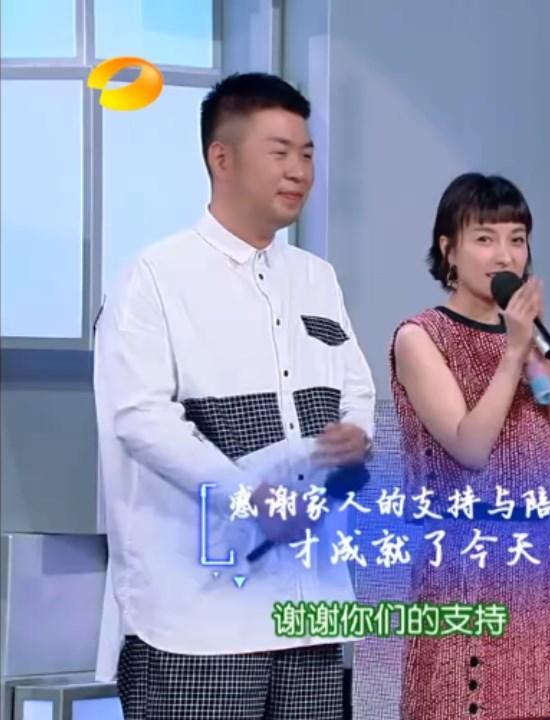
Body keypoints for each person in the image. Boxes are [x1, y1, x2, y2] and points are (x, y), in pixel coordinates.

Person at [93, 72, 376, 719]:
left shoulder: (316, 277)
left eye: (307, 153)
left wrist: (356, 434)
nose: (299, 171)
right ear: (221, 158)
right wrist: (253, 499)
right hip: (199, 619)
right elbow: (141, 419)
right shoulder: (155, 277)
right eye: (280, 152)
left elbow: (355, 387)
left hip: (311, 607)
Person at [389, 173, 550, 720]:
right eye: (484, 238)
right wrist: (512, 355)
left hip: (533, 572)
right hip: (462, 574)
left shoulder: (526, 339)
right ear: (448, 249)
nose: (505, 254)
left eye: (517, 239)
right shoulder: (420, 337)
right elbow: (470, 449)